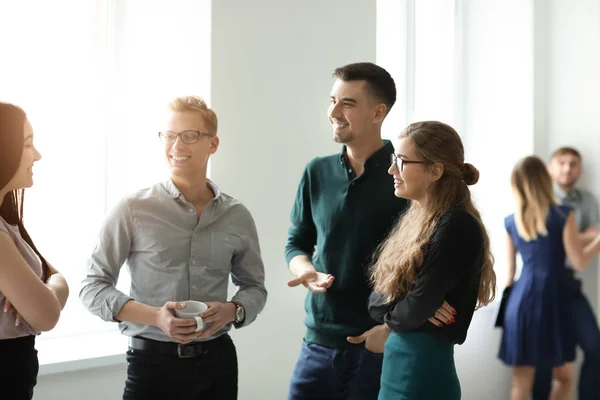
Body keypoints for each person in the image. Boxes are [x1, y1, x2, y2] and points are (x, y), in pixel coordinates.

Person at [80, 95, 267, 400]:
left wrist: (233, 310)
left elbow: (255, 288)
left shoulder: (237, 215)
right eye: (169, 135)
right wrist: (156, 317)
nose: (177, 146)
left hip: (218, 364)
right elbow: (92, 287)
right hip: (152, 366)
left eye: (190, 136)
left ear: (213, 144)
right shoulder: (132, 209)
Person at [284, 62, 408, 400]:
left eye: (348, 103)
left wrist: (390, 331)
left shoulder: (405, 176)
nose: (334, 112)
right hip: (317, 344)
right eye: (332, 100)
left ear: (378, 112)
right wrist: (305, 270)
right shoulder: (316, 172)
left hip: (379, 347)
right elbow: (296, 243)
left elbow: (426, 261)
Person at [367, 121, 496, 400]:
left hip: (421, 372)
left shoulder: (456, 225)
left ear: (435, 170)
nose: (392, 170)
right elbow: (376, 302)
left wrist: (411, 305)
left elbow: (413, 307)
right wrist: (411, 303)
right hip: (398, 366)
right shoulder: (418, 219)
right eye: (393, 160)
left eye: (401, 161)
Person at [499, 155, 600, 400]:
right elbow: (578, 261)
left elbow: (509, 274)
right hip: (554, 299)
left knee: (521, 383)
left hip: (521, 302)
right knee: (563, 378)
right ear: (545, 180)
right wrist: (598, 240)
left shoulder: (511, 221)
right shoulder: (564, 215)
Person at [0, 102, 70, 400]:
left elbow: (55, 277)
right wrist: (45, 292)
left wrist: (46, 287)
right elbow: (46, 315)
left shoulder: (7, 223)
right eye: (28, 144)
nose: (37, 155)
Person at [531, 147, 600, 400]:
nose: (567, 169)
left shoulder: (587, 200)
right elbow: (547, 244)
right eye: (562, 163)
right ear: (550, 168)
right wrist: (579, 239)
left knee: (595, 347)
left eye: (573, 164)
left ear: (579, 170)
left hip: (571, 286)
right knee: (544, 356)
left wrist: (568, 238)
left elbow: (596, 233)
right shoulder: (542, 199)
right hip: (543, 287)